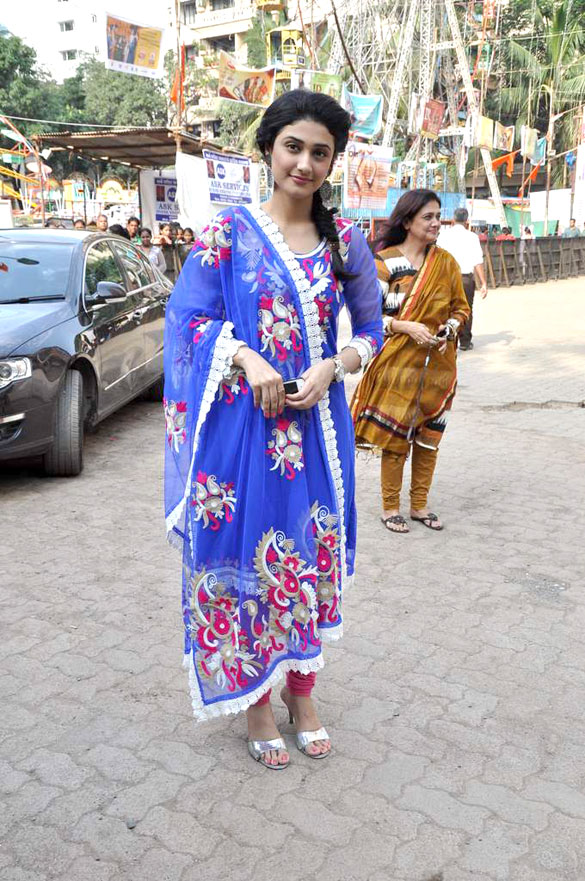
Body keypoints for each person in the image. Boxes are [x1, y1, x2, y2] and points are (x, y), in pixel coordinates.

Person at [163, 89, 383, 768]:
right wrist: (246, 354)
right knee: (243, 556)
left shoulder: (345, 240)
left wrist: (332, 367)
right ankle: (256, 698)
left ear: (333, 162)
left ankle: (303, 690)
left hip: (316, 433)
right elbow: (185, 320)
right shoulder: (228, 233)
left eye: (321, 152)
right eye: (294, 146)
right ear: (268, 149)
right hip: (240, 432)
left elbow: (371, 331)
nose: (306, 162)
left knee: (307, 554)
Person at [351, 189, 470, 535]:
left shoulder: (446, 263)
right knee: (396, 439)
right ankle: (390, 507)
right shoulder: (385, 262)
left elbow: (461, 308)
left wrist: (449, 328)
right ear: (407, 222)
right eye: (428, 217)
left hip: (439, 368)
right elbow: (370, 318)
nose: (436, 223)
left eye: (438, 217)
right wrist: (407, 327)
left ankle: (420, 505)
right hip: (397, 367)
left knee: (430, 438)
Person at [437, 207, 487, 352]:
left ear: (453, 219)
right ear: (467, 221)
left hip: (446, 279)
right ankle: (465, 342)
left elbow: (438, 258)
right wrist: (483, 283)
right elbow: (478, 261)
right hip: (465, 279)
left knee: (446, 308)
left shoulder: (443, 236)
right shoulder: (472, 237)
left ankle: (448, 338)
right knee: (466, 309)